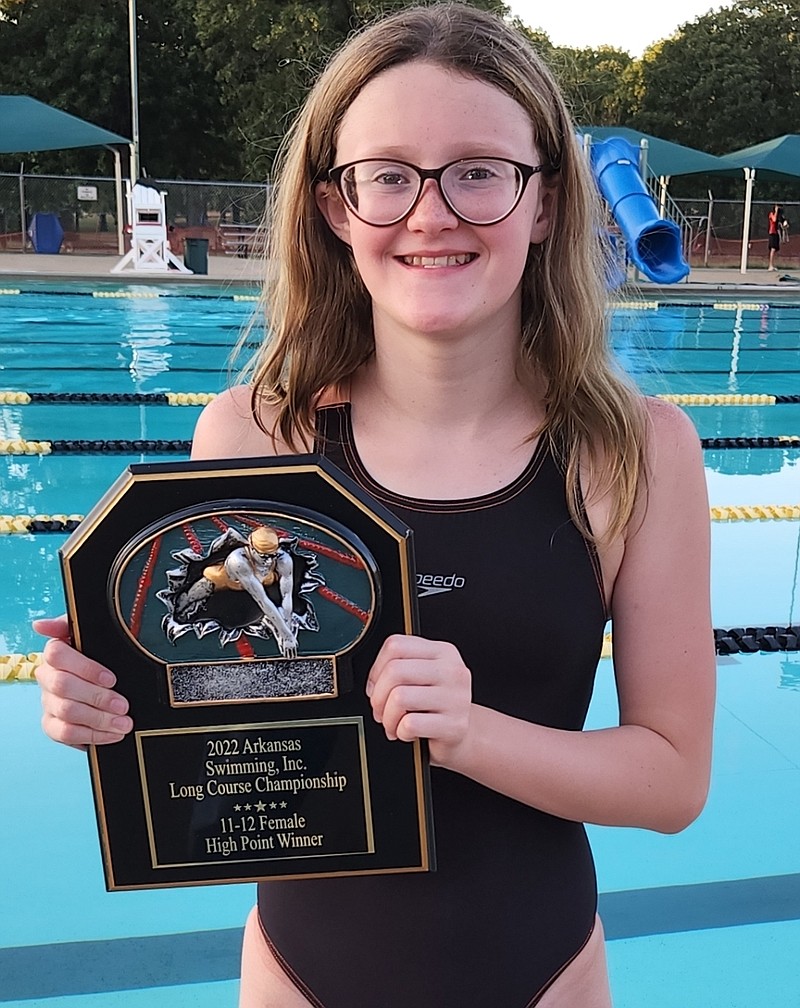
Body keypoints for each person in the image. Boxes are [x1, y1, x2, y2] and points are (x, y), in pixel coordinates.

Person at [33, 4, 716, 1006]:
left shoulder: (637, 452)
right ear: (333, 207)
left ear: (544, 202)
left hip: (542, 972)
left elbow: (671, 781)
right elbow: (227, 734)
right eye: (388, 176)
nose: (429, 213)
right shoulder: (249, 435)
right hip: (300, 973)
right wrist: (115, 708)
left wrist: (467, 732)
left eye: (477, 171)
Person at [768, 203, 787, 270]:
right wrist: (776, 211)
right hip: (772, 233)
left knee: (775, 249)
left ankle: (773, 265)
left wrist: (785, 224)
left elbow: (782, 222)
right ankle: (770, 265)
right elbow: (774, 220)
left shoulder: (780, 215)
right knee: (773, 249)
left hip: (776, 233)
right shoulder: (771, 214)